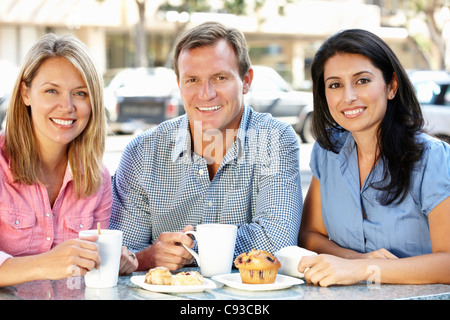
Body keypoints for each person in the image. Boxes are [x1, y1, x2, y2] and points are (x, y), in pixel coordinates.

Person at [110, 22, 302, 271]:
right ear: (179, 84)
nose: (205, 93)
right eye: (192, 80)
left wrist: (189, 249)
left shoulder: (275, 139)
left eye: (219, 78)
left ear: (246, 81)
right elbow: (124, 254)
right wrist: (148, 256)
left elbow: (277, 241)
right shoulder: (142, 152)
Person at [297, 29, 450, 286]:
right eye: (335, 84)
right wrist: (353, 260)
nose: (348, 97)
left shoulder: (433, 159)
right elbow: (310, 235)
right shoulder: (327, 152)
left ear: (391, 86)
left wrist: (365, 269)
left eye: (362, 81)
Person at [0, 33, 137, 287]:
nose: (67, 106)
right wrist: (45, 263)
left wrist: (114, 261)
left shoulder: (98, 178)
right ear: (25, 94)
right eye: (52, 90)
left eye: (81, 94)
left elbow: (88, 275)